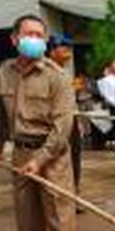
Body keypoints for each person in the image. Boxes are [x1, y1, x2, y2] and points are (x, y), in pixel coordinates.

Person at [0, 14, 77, 231]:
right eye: (29, 34)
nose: (35, 39)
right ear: (14, 39)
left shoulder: (57, 77)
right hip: (20, 155)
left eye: (40, 35)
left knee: (59, 222)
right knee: (27, 221)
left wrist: (39, 161)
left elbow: (62, 129)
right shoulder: (3, 73)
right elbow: (0, 116)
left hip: (52, 157)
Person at [47, 34, 84, 203]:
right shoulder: (45, 71)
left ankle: (74, 194)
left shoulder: (66, 72)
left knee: (74, 161)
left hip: (71, 121)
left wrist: (78, 122)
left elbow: (71, 100)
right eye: (65, 48)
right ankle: (58, 197)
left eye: (70, 49)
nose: (69, 52)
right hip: (53, 123)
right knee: (55, 161)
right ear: (53, 50)